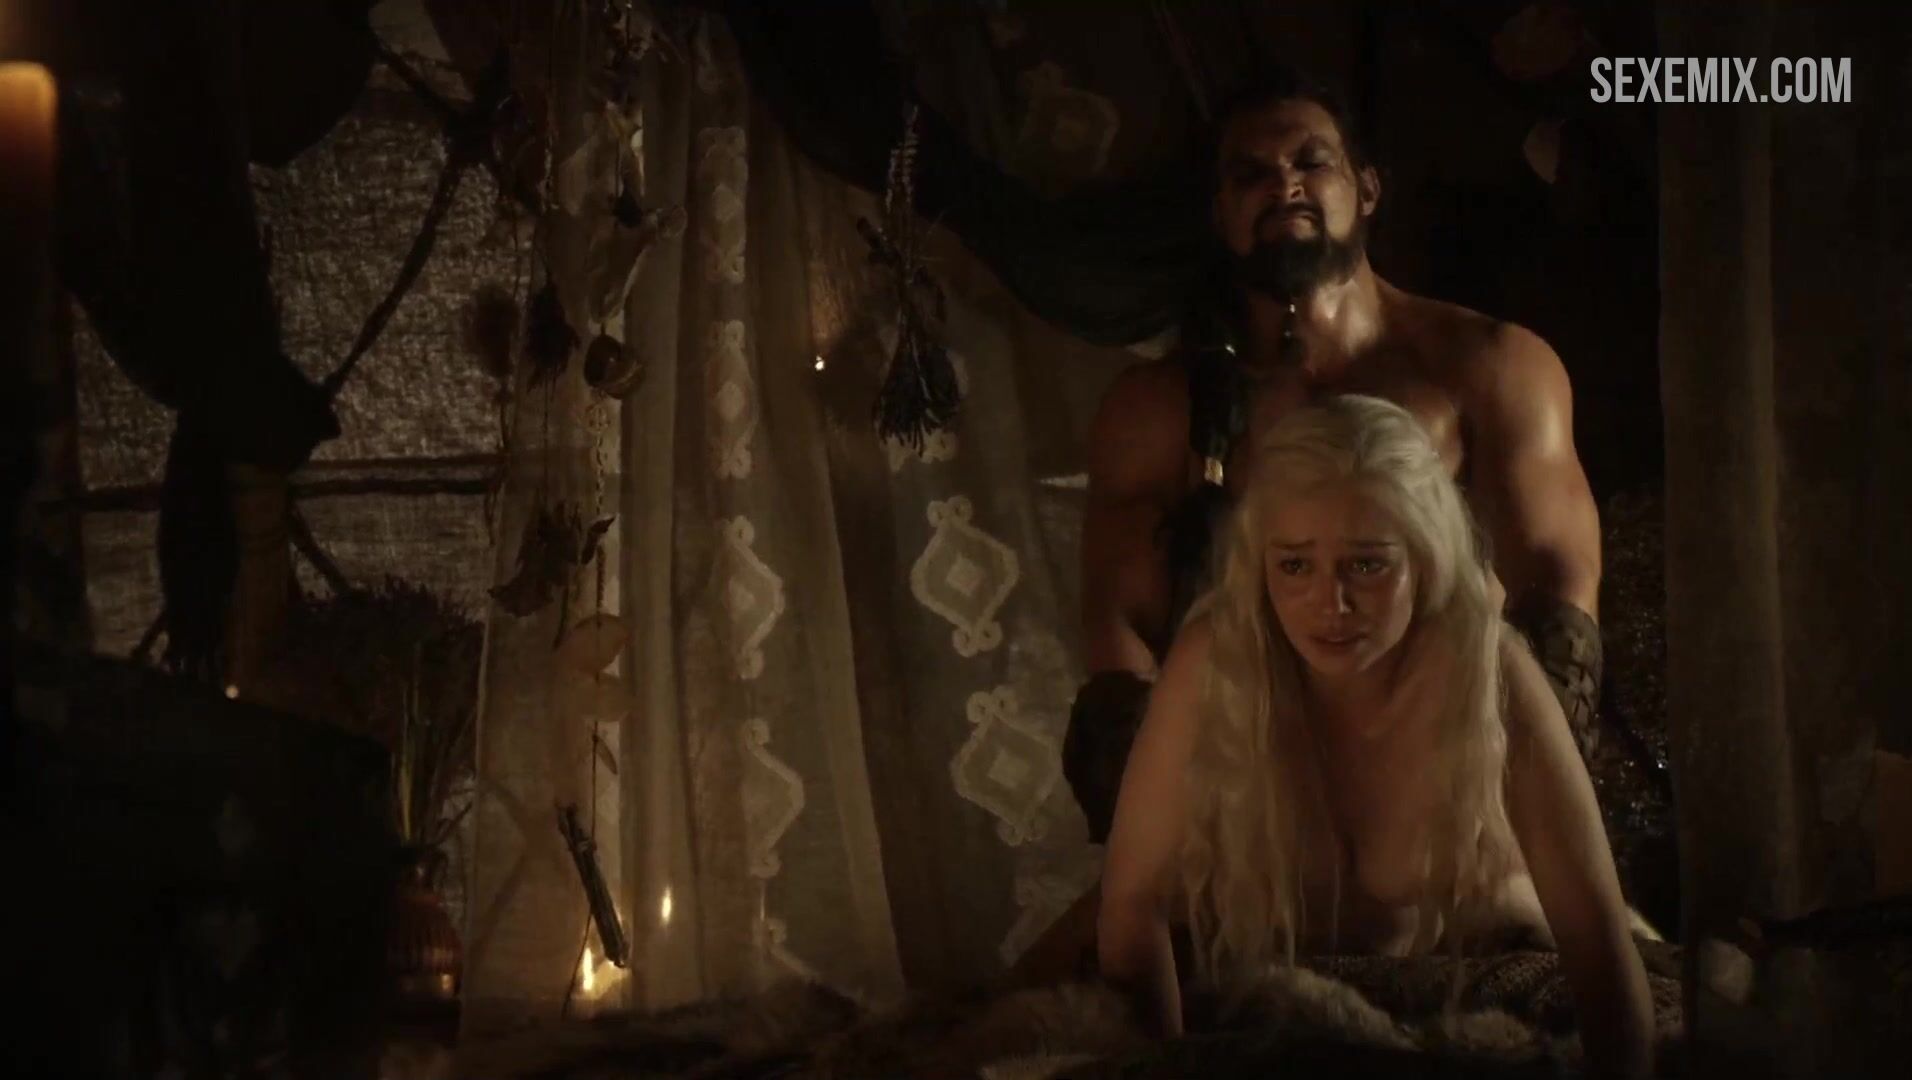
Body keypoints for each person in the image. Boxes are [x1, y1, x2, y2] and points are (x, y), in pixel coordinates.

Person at [1064, 69, 1603, 849]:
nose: (1283, 185)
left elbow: (1557, 593)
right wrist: (1170, 833)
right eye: (1250, 174)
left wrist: (1510, 806)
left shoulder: (1491, 366)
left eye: (1311, 161)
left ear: (1368, 188)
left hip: (1457, 778)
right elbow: (1122, 634)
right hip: (1255, 797)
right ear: (1219, 212)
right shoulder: (1158, 410)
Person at [1097, 396, 1653, 1078]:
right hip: (1262, 1000)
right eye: (1295, 566)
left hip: (1473, 979)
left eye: (1366, 565)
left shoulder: (1487, 670)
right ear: (1260, 564)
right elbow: (1132, 909)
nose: (1330, 604)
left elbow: (1596, 940)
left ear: (1426, 558)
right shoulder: (1220, 657)